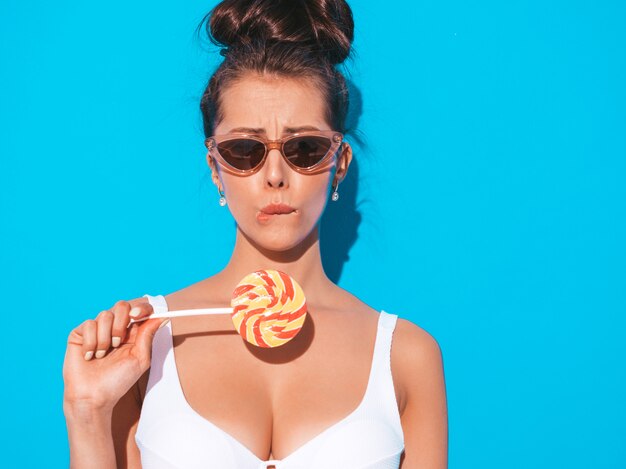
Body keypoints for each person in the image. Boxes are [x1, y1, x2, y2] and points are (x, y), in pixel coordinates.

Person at [62, 1, 448, 467]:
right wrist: (87, 412)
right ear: (215, 169)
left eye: (304, 148)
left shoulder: (406, 355)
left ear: (339, 164)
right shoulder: (146, 345)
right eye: (244, 150)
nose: (274, 175)